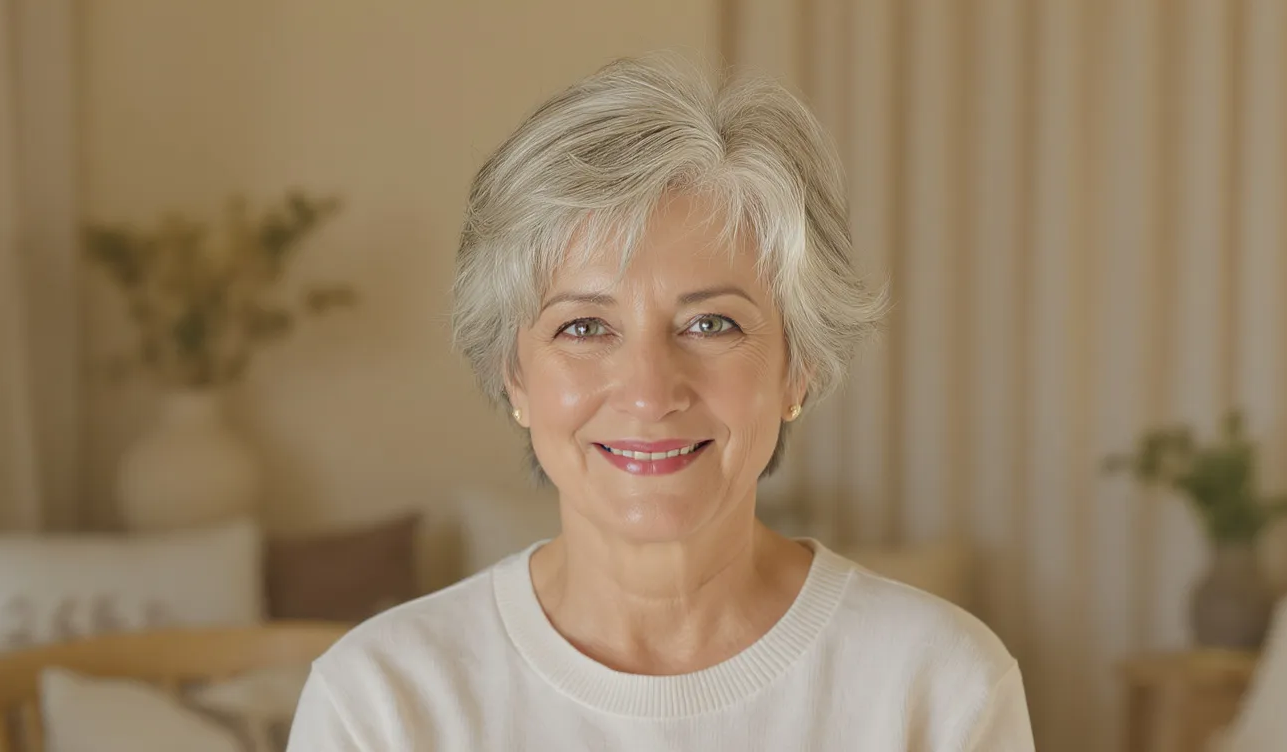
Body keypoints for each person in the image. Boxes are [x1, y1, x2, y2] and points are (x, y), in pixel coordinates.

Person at [287, 53, 1036, 751]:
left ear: (797, 368)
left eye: (711, 324)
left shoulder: (939, 687)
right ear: (514, 375)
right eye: (584, 326)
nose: (649, 393)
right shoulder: (381, 704)